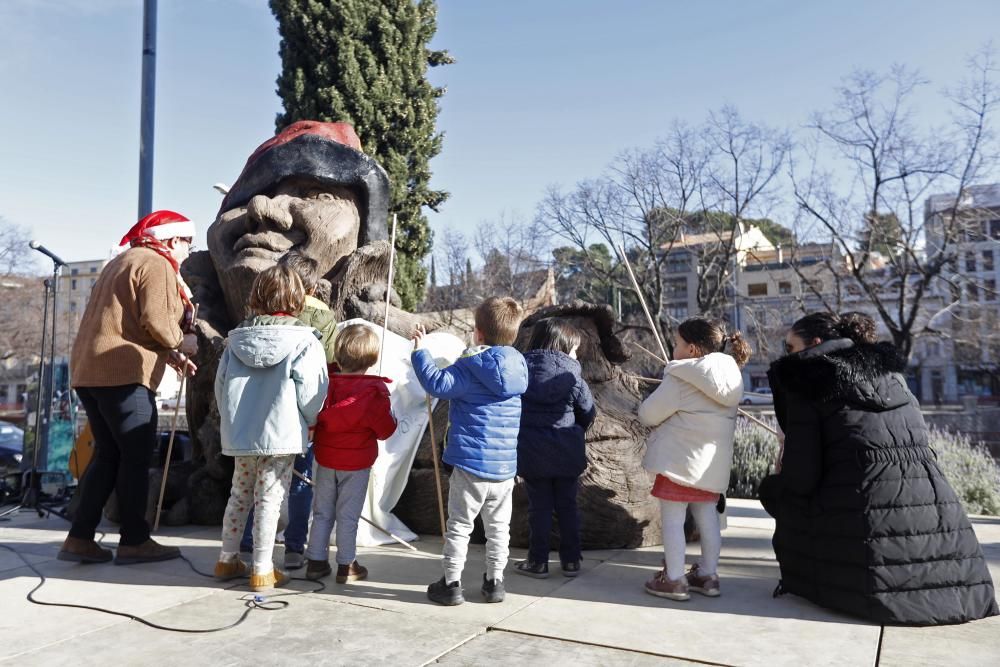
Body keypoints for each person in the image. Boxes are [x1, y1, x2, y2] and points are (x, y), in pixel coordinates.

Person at [759, 311, 998, 625]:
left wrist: (776, 480)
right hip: (933, 510)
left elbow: (802, 478)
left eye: (790, 347)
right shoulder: (893, 376)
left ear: (814, 344)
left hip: (862, 525)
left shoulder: (806, 380)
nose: (787, 354)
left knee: (778, 490)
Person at [59, 210, 199, 565]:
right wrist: (184, 343)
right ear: (170, 239)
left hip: (90, 371)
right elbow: (155, 319)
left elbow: (127, 323)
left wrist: (170, 356)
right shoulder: (155, 263)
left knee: (108, 456)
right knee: (136, 458)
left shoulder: (121, 261)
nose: (189, 250)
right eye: (187, 242)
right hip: (121, 374)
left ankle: (79, 538)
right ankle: (135, 540)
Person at [213, 265, 328, 592]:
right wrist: (311, 421)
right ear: (298, 298)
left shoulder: (236, 340)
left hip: (243, 434)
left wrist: (232, 421)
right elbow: (311, 392)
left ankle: (227, 558)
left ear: (256, 296)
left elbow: (221, 389)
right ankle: (262, 569)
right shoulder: (305, 340)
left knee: (239, 494)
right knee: (270, 499)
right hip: (282, 434)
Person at [411, 296, 528, 606]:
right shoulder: (518, 369)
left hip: (470, 465)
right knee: (498, 528)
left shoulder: (470, 367)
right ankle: (495, 582)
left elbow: (436, 383)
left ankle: (450, 584)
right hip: (504, 468)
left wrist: (420, 351)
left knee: (460, 526)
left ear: (478, 333)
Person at [638, 318, 750, 601]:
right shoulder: (733, 376)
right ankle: (708, 575)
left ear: (691, 349)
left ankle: (674, 579)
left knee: (673, 520)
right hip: (712, 465)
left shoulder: (681, 377)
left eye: (677, 342)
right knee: (708, 519)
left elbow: (648, 414)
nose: (673, 347)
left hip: (679, 461)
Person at [238, 252, 336, 570]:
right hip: (297, 419)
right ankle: (294, 547)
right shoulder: (320, 318)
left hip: (254, 417)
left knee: (254, 485)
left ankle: (245, 547)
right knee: (301, 481)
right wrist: (313, 418)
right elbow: (327, 364)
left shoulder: (249, 323)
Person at [305, 324, 397, 583]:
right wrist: (393, 416)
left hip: (326, 459)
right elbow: (385, 431)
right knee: (348, 515)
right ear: (371, 358)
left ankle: (315, 561)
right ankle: (347, 565)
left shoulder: (325, 384)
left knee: (322, 511)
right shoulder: (374, 394)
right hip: (356, 464)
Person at [513, 319, 596, 579]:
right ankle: (571, 560)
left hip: (532, 452)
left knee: (539, 509)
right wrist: (575, 431)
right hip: (566, 452)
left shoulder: (521, 372)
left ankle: (538, 561)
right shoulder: (572, 377)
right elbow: (588, 412)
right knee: (568, 506)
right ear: (563, 347)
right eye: (573, 350)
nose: (575, 356)